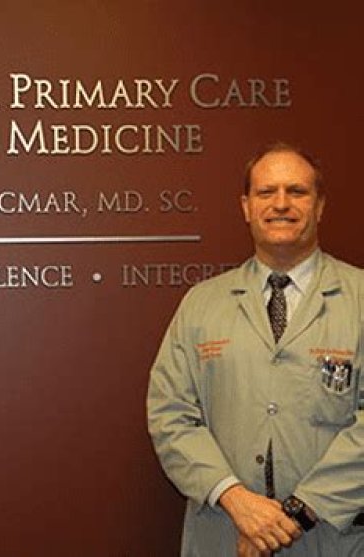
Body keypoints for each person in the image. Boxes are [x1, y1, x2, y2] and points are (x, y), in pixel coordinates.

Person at [147, 143, 364, 556]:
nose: (281, 204)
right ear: (246, 207)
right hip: (226, 534)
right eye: (266, 192)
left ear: (319, 206)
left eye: (297, 191)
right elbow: (170, 414)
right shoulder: (201, 304)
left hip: (332, 538)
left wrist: (298, 513)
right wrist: (236, 500)